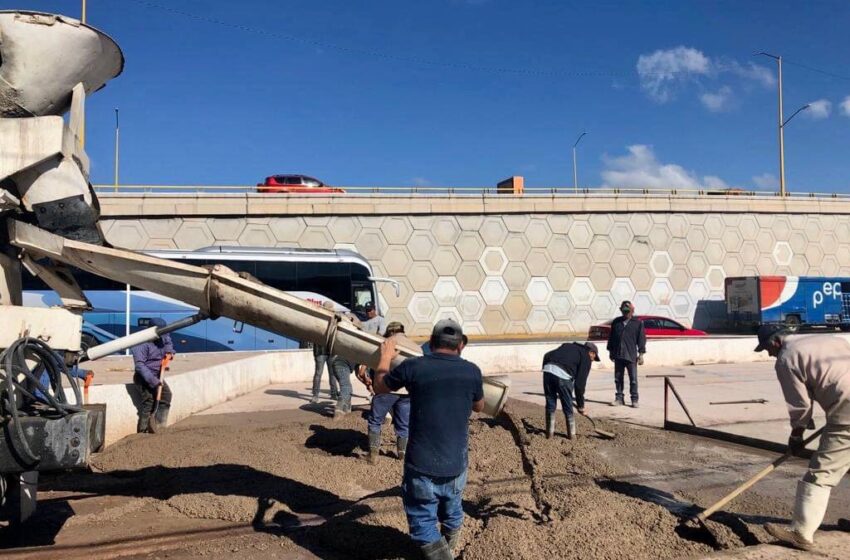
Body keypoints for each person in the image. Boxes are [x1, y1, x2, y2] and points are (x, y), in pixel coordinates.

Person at [373, 319, 484, 560]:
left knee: (423, 522)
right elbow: (479, 406)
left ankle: (443, 556)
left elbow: (380, 386)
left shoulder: (414, 367)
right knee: (453, 511)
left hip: (421, 463)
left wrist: (385, 356)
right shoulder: (472, 371)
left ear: (430, 343)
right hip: (456, 462)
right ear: (461, 345)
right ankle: (448, 549)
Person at [754, 325, 850, 550]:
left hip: (847, 410)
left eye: (767, 349)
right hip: (844, 406)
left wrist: (796, 434)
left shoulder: (787, 357)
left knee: (821, 473)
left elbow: (800, 405)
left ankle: (801, 533)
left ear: (776, 342)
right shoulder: (830, 340)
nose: (769, 354)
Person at [357, 321, 417, 464]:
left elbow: (370, 362)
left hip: (386, 389)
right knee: (403, 424)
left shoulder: (386, 343)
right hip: (406, 392)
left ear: (389, 332)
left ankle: (373, 456)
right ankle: (402, 455)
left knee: (375, 421)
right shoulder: (414, 346)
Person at [541, 341, 600, 439]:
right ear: (592, 353)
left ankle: (549, 435)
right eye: (594, 358)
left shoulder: (568, 346)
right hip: (563, 376)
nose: (592, 360)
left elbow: (547, 355)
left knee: (550, 403)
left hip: (547, 371)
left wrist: (548, 370)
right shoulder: (586, 356)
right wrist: (581, 405)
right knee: (567, 406)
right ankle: (572, 436)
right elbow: (579, 385)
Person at [131, 318, 175, 433]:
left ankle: (161, 425)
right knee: (149, 402)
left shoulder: (163, 335)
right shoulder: (141, 343)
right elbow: (139, 366)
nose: (163, 335)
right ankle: (143, 430)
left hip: (158, 374)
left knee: (166, 396)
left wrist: (169, 352)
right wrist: (153, 381)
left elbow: (168, 341)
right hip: (143, 378)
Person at [606, 301, 646, 407]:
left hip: (631, 356)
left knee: (633, 379)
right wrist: (610, 351)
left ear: (632, 311)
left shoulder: (637, 323)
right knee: (618, 378)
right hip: (618, 355)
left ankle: (634, 399)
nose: (626, 313)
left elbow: (641, 339)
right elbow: (611, 338)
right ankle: (619, 398)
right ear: (621, 311)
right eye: (624, 311)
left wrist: (641, 354)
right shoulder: (616, 322)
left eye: (628, 311)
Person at [330, 311, 361, 419]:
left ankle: (347, 409)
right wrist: (369, 385)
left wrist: (367, 384)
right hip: (341, 364)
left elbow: (359, 374)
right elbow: (361, 373)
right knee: (346, 387)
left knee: (348, 388)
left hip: (337, 363)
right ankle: (339, 409)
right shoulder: (357, 344)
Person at [311, 300, 339, 403]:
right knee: (319, 373)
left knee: (332, 374)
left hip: (331, 350)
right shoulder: (318, 318)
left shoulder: (335, 319)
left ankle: (334, 394)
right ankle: (315, 395)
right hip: (320, 350)